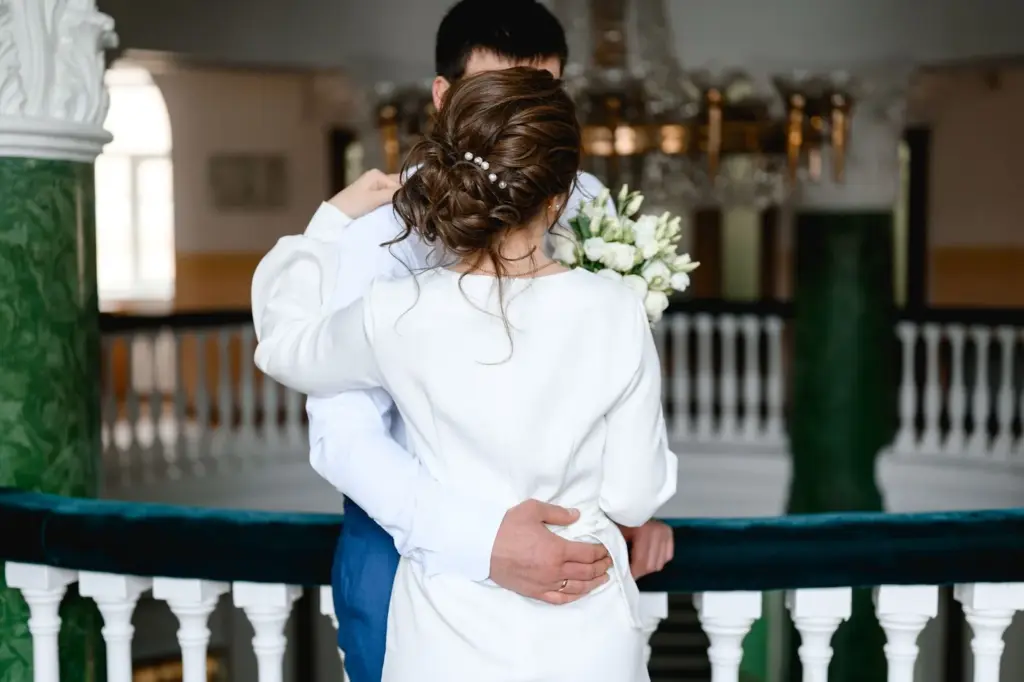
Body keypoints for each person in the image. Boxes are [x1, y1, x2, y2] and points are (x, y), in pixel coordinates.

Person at [254, 2, 674, 681]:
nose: (522, 121)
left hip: (537, 592)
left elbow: (287, 347)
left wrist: (623, 515)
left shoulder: (593, 205)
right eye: (500, 97)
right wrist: (483, 541)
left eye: (543, 97)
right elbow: (344, 438)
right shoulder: (373, 241)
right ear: (446, 99)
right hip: (411, 551)